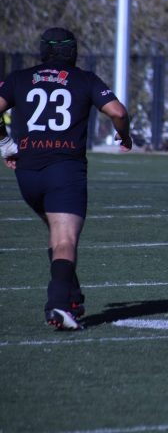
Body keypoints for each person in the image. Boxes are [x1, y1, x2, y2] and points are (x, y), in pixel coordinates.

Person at [0, 27, 133, 330]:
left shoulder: (20, 77)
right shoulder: (84, 79)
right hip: (64, 170)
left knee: (56, 233)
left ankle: (72, 296)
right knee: (64, 239)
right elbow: (118, 112)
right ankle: (58, 305)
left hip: (27, 172)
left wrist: (5, 143)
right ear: (73, 51)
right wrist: (124, 136)